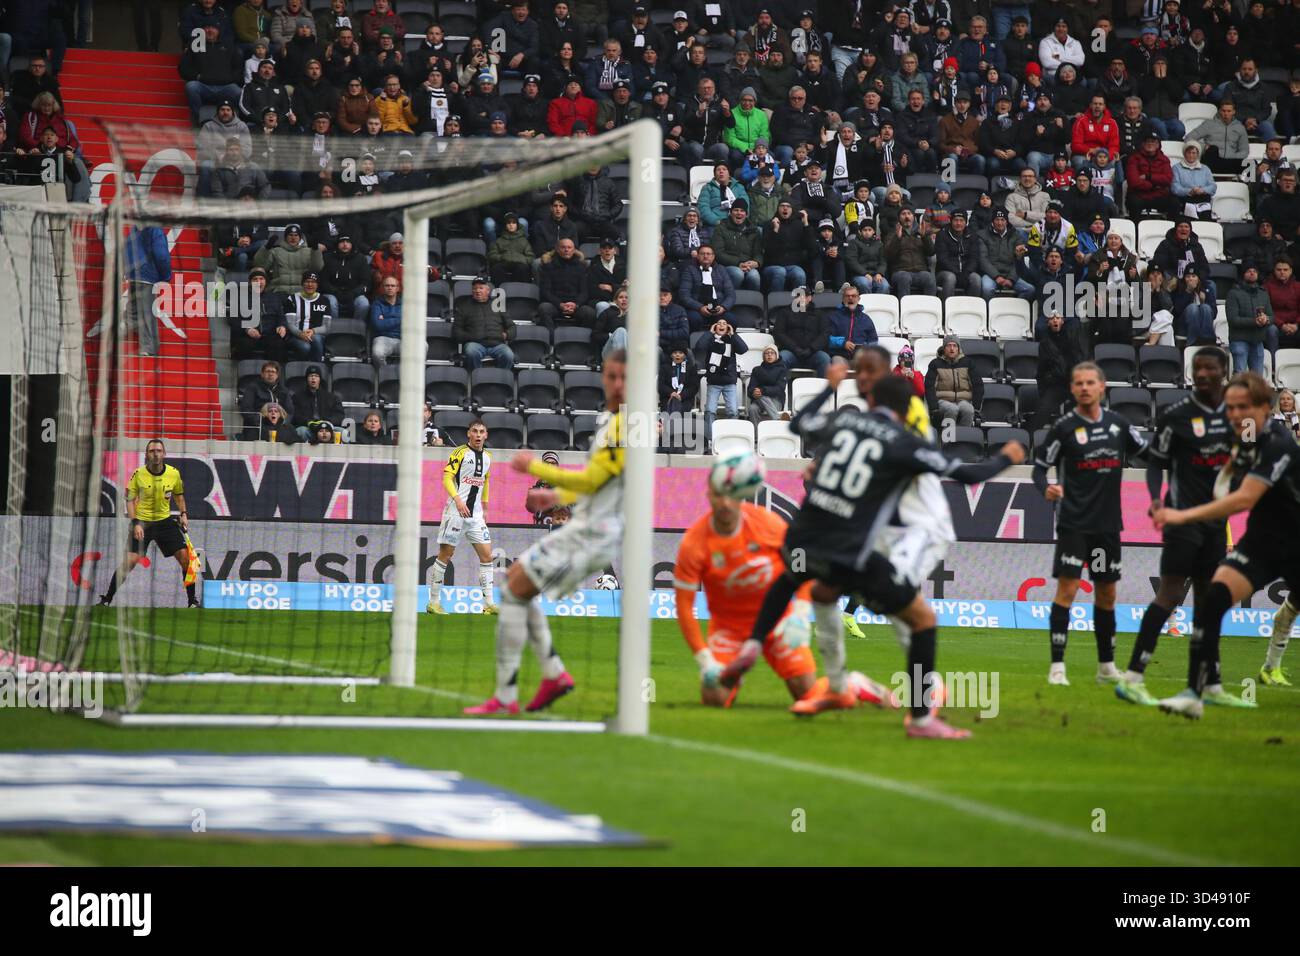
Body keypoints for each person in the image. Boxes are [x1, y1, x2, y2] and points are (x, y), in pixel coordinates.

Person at [721, 364, 1025, 735]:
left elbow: (799, 424)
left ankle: (753, 646)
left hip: (804, 532)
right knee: (922, 620)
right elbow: (968, 476)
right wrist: (1007, 456)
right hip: (849, 546)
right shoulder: (903, 441)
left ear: (870, 400)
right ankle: (921, 718)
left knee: (805, 583)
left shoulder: (844, 423)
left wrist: (828, 387)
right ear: (907, 406)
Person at [465, 353, 631, 715]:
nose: (617, 384)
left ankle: (513, 693)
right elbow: (599, 483)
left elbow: (594, 481)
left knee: (514, 589)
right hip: (587, 525)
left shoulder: (629, 425)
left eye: (625, 377)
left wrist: (538, 470)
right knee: (514, 586)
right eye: (612, 376)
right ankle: (548, 677)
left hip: (595, 533)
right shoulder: (611, 421)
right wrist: (556, 497)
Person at [674, 470, 893, 709]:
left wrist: (799, 613)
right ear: (708, 496)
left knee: (807, 695)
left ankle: (854, 684)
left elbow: (803, 565)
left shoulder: (767, 524)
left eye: (730, 495)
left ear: (740, 495)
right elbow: (684, 607)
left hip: (777, 620)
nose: (725, 503)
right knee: (714, 699)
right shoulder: (693, 542)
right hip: (729, 628)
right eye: (718, 495)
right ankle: (732, 676)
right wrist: (705, 660)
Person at [1152, 372, 1300, 718]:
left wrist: (1182, 515)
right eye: (1229, 407)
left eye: (1242, 407)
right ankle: (1196, 691)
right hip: (1263, 542)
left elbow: (1243, 499)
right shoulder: (1243, 439)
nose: (1233, 413)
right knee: (1214, 600)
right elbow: (1230, 474)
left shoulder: (1279, 442)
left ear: (1266, 408)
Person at [1117, 348, 1236, 707]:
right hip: (1181, 518)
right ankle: (1133, 676)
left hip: (1217, 523)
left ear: (1223, 372)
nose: (1201, 373)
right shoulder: (1176, 415)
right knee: (1169, 595)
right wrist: (1155, 498)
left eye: (1209, 368)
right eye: (1197, 367)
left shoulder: (1239, 416)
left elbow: (1250, 461)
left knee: (1208, 602)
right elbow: (1156, 463)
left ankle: (1209, 683)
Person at [1032, 361, 1148, 686]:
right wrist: (1047, 489)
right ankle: (1057, 668)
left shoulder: (1119, 425)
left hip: (1107, 525)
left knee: (1107, 594)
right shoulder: (1064, 428)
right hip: (1074, 523)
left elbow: (1151, 455)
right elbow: (1038, 469)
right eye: (1078, 383)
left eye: (1090, 382)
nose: (1084, 387)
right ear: (1072, 389)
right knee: (1067, 590)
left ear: (1102, 386)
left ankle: (1106, 667)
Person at [96, 440, 199, 610]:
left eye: (159, 450)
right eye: (152, 451)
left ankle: (192, 602)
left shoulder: (174, 474)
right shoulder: (138, 474)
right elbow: (129, 501)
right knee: (129, 562)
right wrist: (136, 523)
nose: (156, 454)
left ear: (164, 454)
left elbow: (179, 496)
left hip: (165, 522)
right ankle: (107, 599)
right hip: (142, 522)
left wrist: (183, 514)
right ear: (147, 455)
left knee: (187, 560)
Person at [427, 419, 497, 616]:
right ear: (469, 434)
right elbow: (447, 477)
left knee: (487, 557)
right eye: (474, 431)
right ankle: (433, 602)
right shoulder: (459, 453)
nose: (477, 435)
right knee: (445, 556)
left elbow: (486, 481)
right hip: (455, 513)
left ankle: (488, 604)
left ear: (486, 435)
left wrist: (485, 506)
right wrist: (457, 500)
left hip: (475, 516)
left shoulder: (489, 457)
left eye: (481, 431)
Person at [696, 318, 748, 440]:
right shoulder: (710, 340)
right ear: (715, 326)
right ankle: (709, 439)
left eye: (724, 324)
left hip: (729, 381)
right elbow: (699, 347)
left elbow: (743, 349)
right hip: (714, 381)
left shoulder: (731, 340)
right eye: (718, 323)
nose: (721, 325)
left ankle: (731, 436)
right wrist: (710, 333)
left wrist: (733, 334)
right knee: (709, 410)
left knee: (733, 411)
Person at [455, 277, 515, 371]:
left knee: (508, 355)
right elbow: (456, 331)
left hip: (497, 344)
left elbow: (512, 326)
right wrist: (471, 337)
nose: (477, 291)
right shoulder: (464, 307)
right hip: (475, 344)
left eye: (481, 288)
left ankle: (500, 380)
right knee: (471, 352)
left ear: (487, 290)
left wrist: (507, 334)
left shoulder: (497, 305)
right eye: (475, 288)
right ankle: (476, 379)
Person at [925, 335, 982, 427]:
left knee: (968, 410)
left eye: (955, 346)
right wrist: (934, 408)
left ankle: (963, 438)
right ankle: (948, 439)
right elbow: (929, 386)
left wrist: (976, 408)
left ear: (958, 348)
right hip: (943, 401)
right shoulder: (935, 364)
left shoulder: (968, 363)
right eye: (948, 345)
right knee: (952, 409)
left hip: (964, 400)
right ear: (944, 348)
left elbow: (978, 385)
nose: (952, 349)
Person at [1226, 261, 1273, 374]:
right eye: (1248, 271)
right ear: (1243, 274)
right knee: (1240, 374)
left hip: (1258, 341)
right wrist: (1254, 322)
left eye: (1254, 271)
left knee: (1257, 379)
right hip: (1239, 340)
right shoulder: (1233, 293)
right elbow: (1233, 320)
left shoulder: (1263, 293)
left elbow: (1272, 316)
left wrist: (1266, 319)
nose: (1252, 273)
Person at [883, 208, 936, 297]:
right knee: (904, 278)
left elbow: (931, 252)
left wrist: (925, 237)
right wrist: (897, 238)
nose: (907, 216)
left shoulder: (921, 232)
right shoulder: (892, 234)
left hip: (920, 271)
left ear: (913, 217)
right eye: (903, 214)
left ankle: (929, 309)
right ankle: (904, 309)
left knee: (929, 278)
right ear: (899, 218)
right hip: (900, 271)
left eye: (909, 213)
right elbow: (888, 255)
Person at [291, 365, 344, 442]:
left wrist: (327, 422)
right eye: (310, 376)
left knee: (343, 433)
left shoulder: (332, 397)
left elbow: (339, 415)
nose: (313, 378)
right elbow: (296, 415)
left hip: (328, 428)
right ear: (307, 379)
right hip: (308, 428)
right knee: (301, 431)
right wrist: (309, 422)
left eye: (316, 376)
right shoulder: (297, 397)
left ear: (320, 379)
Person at [825, 284, 877, 363]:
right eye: (847, 296)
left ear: (858, 298)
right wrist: (843, 343)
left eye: (853, 296)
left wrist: (864, 347)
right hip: (839, 355)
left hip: (860, 357)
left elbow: (873, 341)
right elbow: (825, 339)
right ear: (843, 299)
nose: (850, 298)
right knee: (837, 362)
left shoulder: (866, 319)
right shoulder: (833, 317)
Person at [746, 346, 787, 424]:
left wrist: (763, 391)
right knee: (752, 408)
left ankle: (777, 420)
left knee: (762, 395)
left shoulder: (782, 369)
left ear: (776, 355)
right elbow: (750, 389)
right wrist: (753, 393)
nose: (769, 355)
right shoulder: (757, 370)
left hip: (776, 400)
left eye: (772, 353)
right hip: (759, 401)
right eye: (767, 353)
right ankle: (756, 433)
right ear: (763, 356)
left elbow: (780, 388)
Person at [368, 275, 401, 365]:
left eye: (393, 286)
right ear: (383, 288)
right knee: (377, 354)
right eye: (387, 285)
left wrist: (386, 319)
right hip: (383, 338)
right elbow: (378, 325)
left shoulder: (405, 305)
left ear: (398, 288)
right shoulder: (377, 304)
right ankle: (385, 376)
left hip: (402, 339)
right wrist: (400, 319)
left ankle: (407, 376)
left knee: (423, 346)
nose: (390, 288)